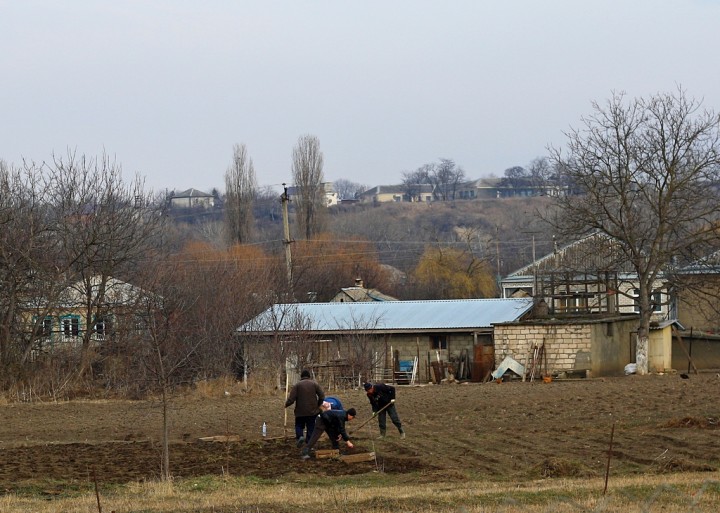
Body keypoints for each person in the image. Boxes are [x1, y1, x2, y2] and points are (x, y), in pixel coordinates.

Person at [285, 369, 325, 447]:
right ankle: (308, 444)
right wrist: (318, 405)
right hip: (312, 411)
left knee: (299, 425)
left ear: (301, 376)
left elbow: (291, 399)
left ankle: (300, 437)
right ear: (309, 376)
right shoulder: (314, 384)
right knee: (311, 427)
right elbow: (322, 396)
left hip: (300, 412)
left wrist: (286, 404)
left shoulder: (297, 385)